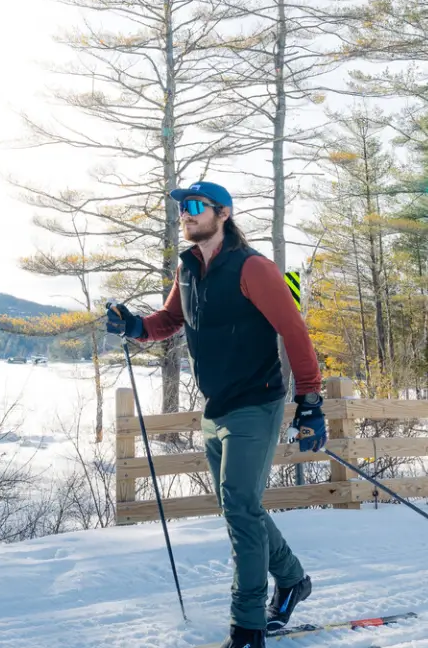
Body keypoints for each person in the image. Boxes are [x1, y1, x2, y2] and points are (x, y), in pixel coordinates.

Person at [105, 181, 327, 648]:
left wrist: (310, 401)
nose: (185, 214)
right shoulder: (187, 269)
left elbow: (294, 332)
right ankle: (292, 580)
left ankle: (247, 626)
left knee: (240, 511)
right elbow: (169, 320)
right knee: (238, 506)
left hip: (256, 401)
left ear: (222, 213)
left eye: (194, 206)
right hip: (216, 406)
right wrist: (134, 326)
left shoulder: (253, 268)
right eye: (181, 208)